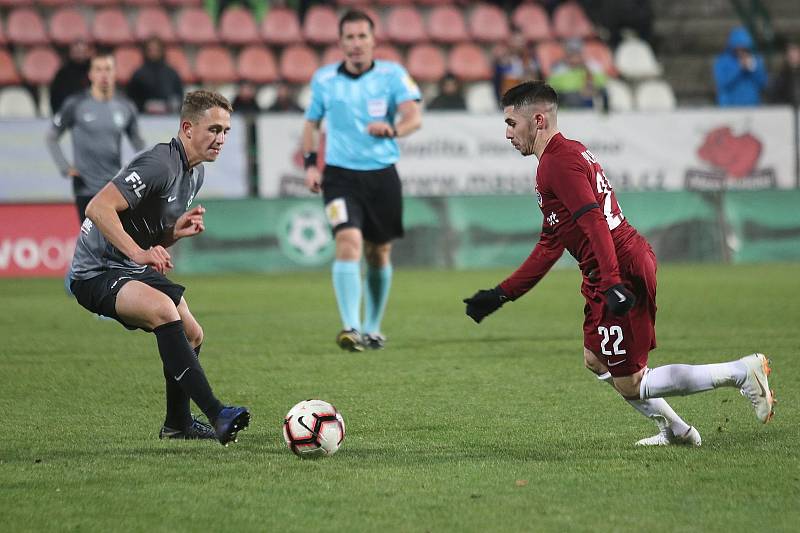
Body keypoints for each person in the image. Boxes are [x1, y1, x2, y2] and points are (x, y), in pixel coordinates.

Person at [463, 81, 775, 446]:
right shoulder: (564, 156)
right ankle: (676, 431)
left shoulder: (557, 164)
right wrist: (501, 295)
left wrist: (611, 281)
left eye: (512, 124)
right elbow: (550, 244)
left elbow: (594, 221)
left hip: (619, 266)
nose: (507, 134)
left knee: (632, 380)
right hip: (610, 266)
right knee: (595, 359)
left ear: (538, 120)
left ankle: (741, 372)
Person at [68, 90, 250, 446]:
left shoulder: (194, 174)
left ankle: (178, 424)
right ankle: (217, 414)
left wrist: (172, 234)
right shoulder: (159, 164)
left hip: (125, 264)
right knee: (165, 312)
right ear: (187, 128)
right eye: (214, 129)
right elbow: (98, 208)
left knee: (193, 334)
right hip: (96, 270)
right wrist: (138, 253)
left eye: (226, 131)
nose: (221, 139)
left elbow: (149, 233)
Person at [303, 9, 422, 351]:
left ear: (373, 40)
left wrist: (394, 129)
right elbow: (311, 124)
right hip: (340, 177)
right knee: (348, 241)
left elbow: (414, 117)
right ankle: (350, 326)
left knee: (379, 253)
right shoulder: (324, 79)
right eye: (349, 37)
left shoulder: (392, 75)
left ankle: (371, 327)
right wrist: (312, 165)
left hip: (382, 176)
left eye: (361, 36)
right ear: (340, 43)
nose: (356, 44)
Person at [46, 51, 146, 224]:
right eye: (98, 70)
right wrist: (65, 167)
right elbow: (51, 137)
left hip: (114, 187)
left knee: (114, 244)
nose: (104, 75)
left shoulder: (125, 106)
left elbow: (138, 142)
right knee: (91, 244)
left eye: (108, 69)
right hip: (86, 188)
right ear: (91, 74)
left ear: (115, 73)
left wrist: (144, 166)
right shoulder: (76, 104)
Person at [126, 37, 184, 114]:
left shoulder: (172, 73)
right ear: (145, 51)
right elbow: (131, 100)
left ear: (162, 51)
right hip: (144, 116)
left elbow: (179, 96)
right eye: (150, 50)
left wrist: (170, 105)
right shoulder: (138, 74)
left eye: (157, 50)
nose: (154, 53)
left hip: (168, 117)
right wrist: (145, 105)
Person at [713, 27, 768, 107]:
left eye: (744, 48)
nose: (741, 51)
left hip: (752, 107)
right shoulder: (722, 61)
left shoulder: (756, 60)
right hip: (729, 107)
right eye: (738, 48)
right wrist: (739, 69)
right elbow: (722, 83)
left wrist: (754, 70)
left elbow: (763, 83)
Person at [546, 38, 606, 109]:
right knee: (572, 97)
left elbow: (603, 81)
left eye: (577, 53)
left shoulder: (592, 65)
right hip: (568, 102)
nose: (574, 57)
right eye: (572, 53)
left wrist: (590, 80)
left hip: (590, 96)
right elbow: (553, 85)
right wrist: (580, 87)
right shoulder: (559, 67)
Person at [49, 40, 93, 115]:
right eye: (76, 52)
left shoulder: (95, 71)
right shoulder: (62, 74)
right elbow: (55, 99)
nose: (79, 55)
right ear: (70, 53)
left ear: (87, 53)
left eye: (81, 52)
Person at [769, 41, 800, 106]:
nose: (792, 56)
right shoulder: (781, 76)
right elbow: (775, 96)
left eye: (795, 52)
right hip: (786, 112)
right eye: (790, 53)